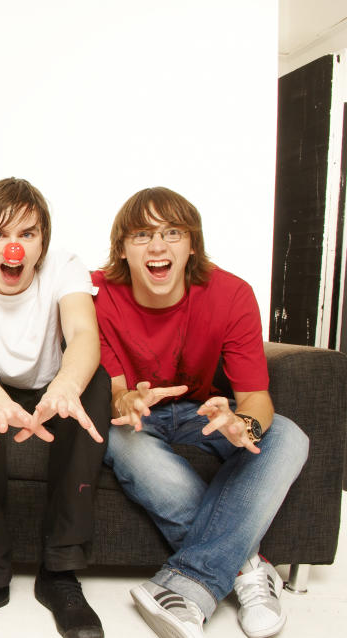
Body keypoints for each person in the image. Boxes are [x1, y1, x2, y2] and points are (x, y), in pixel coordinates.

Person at [92, 186, 309, 638]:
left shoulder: (230, 294)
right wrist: (126, 400)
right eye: (141, 235)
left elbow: (255, 398)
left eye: (172, 232)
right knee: (119, 435)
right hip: (137, 418)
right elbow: (114, 392)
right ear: (122, 250)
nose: (157, 246)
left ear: (192, 245)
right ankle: (250, 570)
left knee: (288, 435)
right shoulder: (98, 295)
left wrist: (241, 424)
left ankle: (189, 584)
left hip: (203, 411)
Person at [0, 177, 110, 638]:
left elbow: (85, 334)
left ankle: (60, 577)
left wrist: (66, 386)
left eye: (26, 234)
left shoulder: (65, 267)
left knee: (96, 384)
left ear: (42, 244)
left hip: (52, 384)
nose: (14, 248)